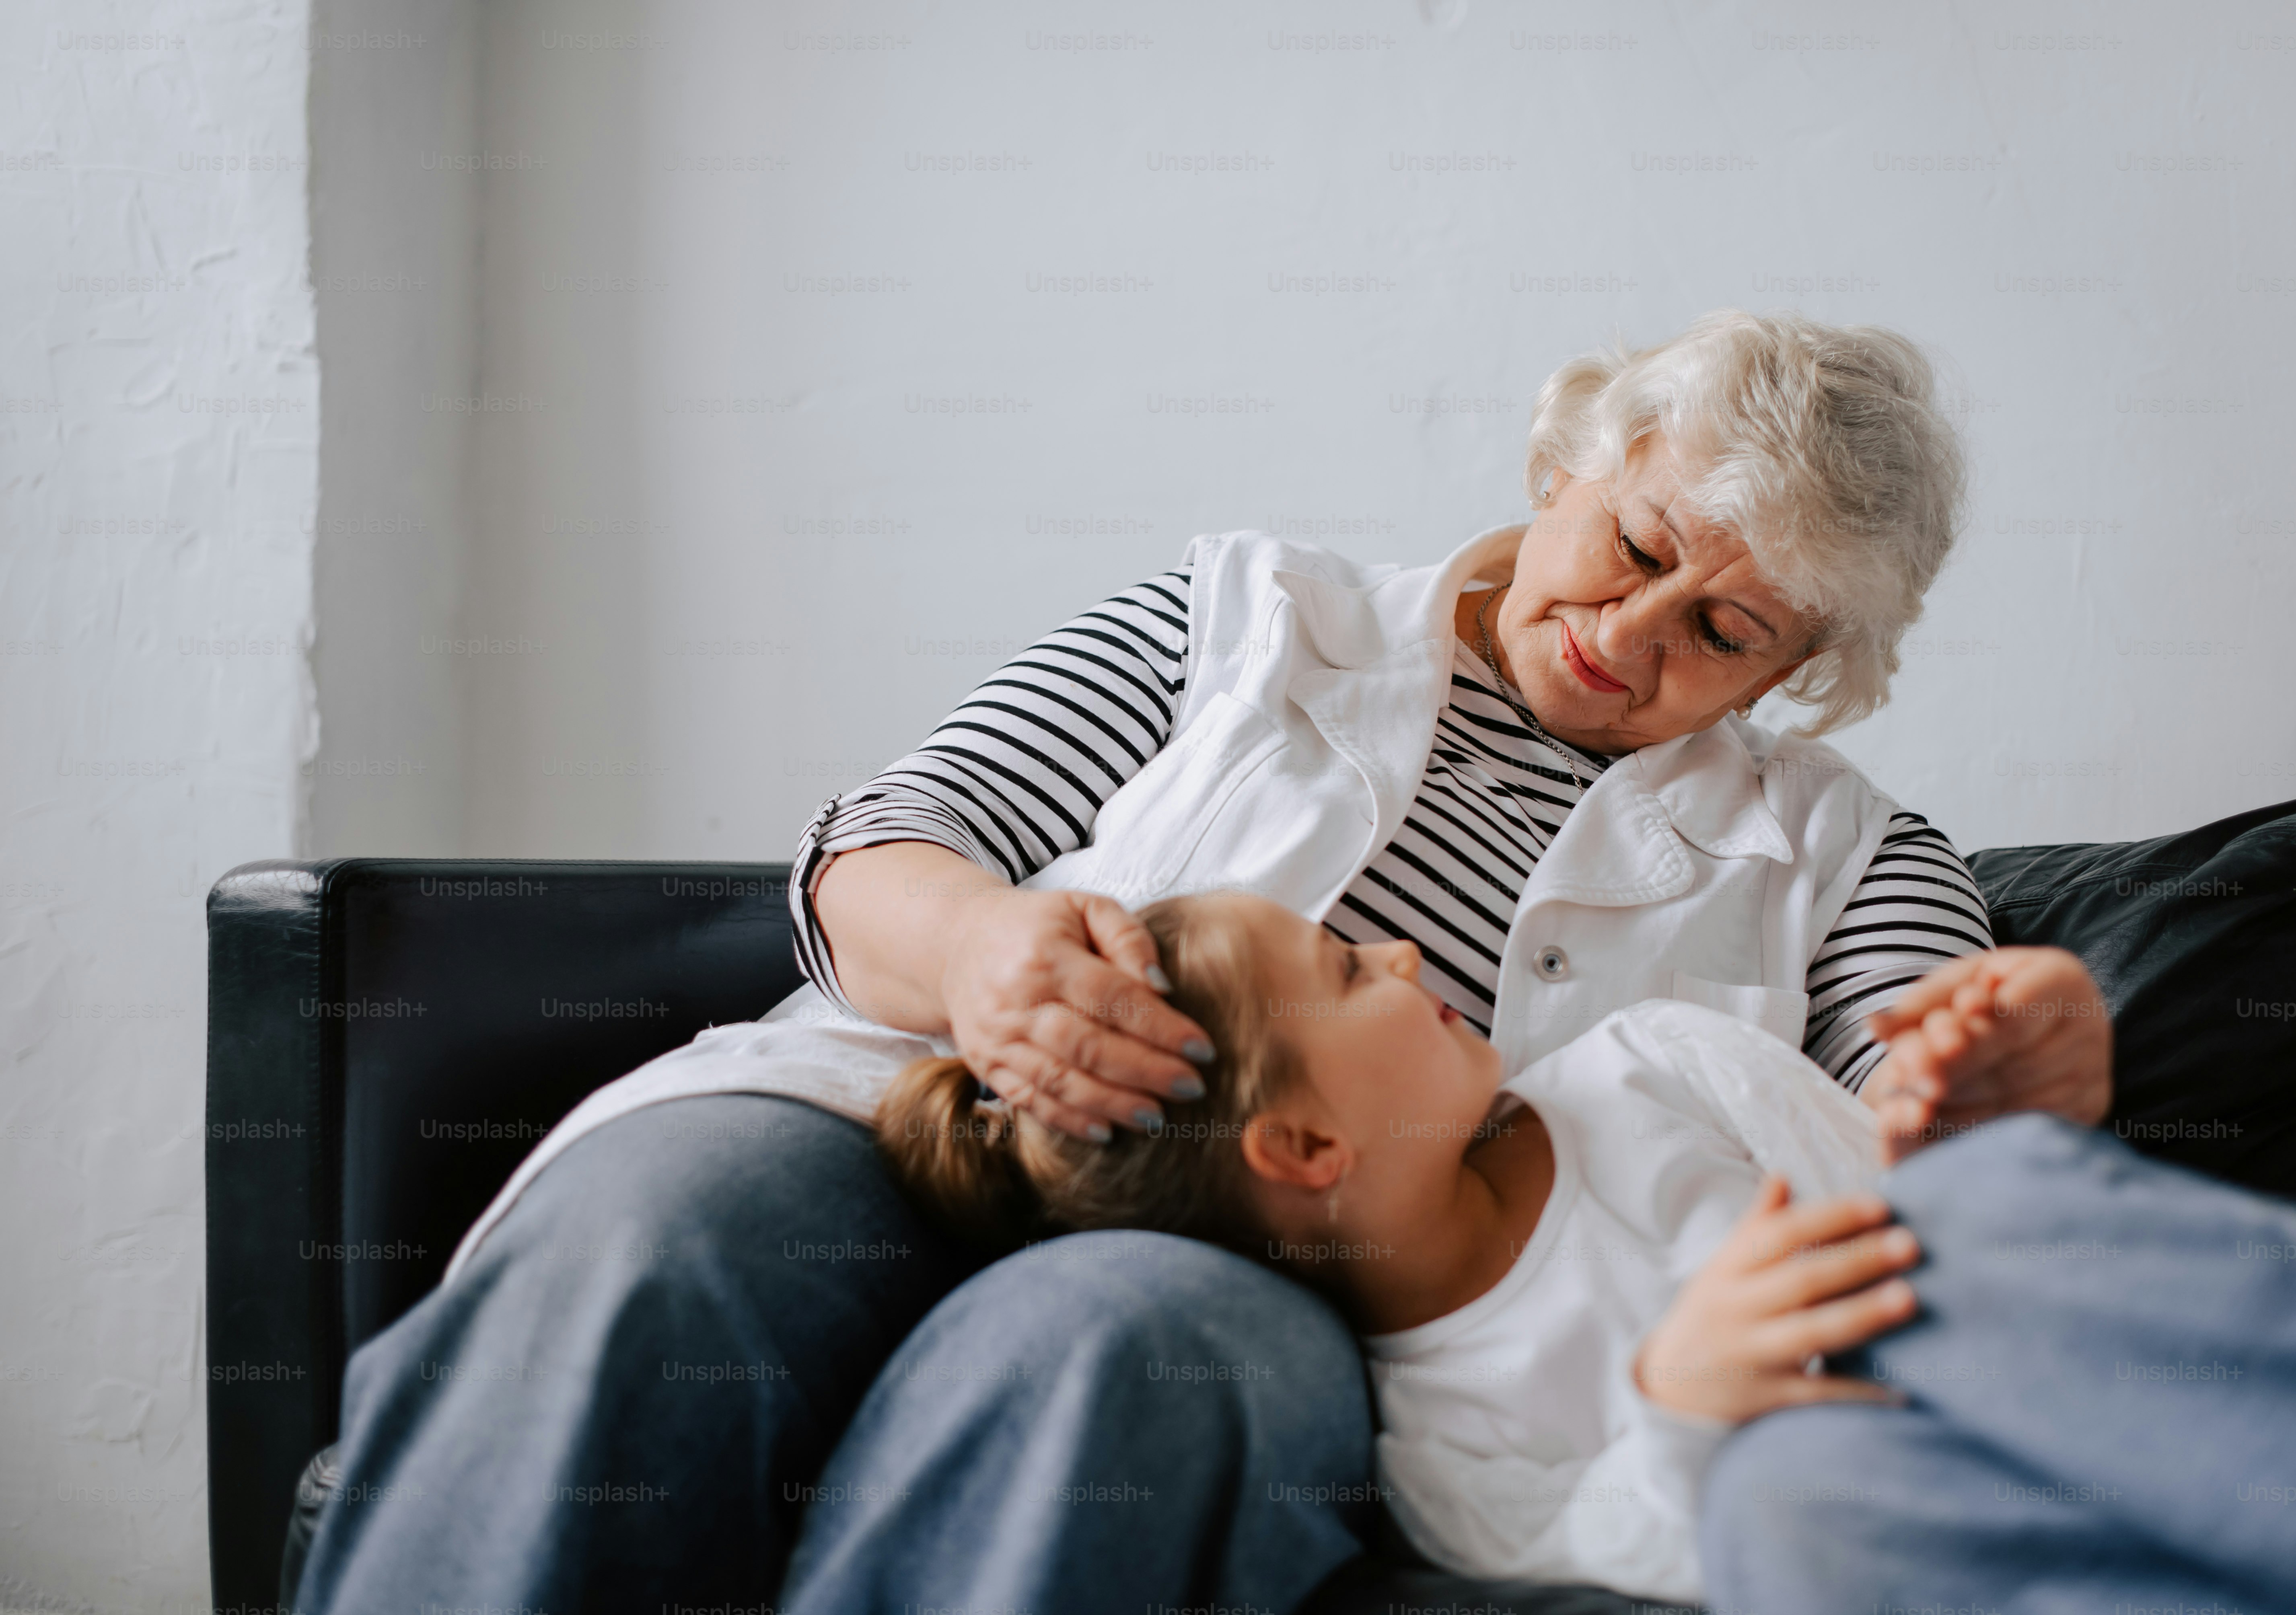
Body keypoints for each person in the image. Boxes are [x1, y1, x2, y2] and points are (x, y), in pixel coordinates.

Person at [299, 311, 2098, 1612]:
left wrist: (2004, 1084)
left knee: (1119, 1342)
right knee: (658, 1239)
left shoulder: (1847, 847)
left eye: (1720, 628)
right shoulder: (1247, 618)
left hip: (1292, 1272)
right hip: (894, 1099)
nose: (1631, 638)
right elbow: (887, 843)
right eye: (1631, 547)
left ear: (1794, 672)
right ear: (1571, 462)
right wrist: (990, 948)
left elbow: (1921, 1120)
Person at [872, 889, 2296, 1611]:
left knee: (1965, 1219)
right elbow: (1625, 1556)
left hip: (2061, 1387)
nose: (1406, 952)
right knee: (1788, 1505)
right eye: (1350, 969)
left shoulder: (1651, 1064)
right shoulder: (1425, 1434)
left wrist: (1992, 1126)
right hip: (1909, 1502)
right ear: (1306, 1152)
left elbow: (1899, 1208)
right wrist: (1682, 1408)